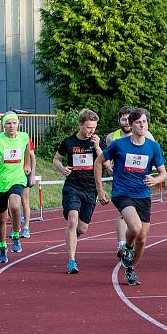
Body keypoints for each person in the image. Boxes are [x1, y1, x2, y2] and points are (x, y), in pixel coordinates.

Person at [95, 108, 167, 286]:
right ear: (131, 124)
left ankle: (131, 269)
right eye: (138, 122)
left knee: (142, 238)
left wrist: (155, 179)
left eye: (144, 122)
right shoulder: (119, 144)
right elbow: (98, 162)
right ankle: (126, 247)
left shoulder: (153, 147)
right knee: (134, 228)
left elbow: (163, 173)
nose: (142, 125)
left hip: (143, 194)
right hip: (122, 192)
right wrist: (100, 189)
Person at [54, 109, 106, 274]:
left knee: (82, 228)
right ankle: (71, 261)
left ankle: (71, 239)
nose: (92, 130)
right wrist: (62, 168)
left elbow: (106, 163)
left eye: (94, 127)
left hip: (90, 188)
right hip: (73, 186)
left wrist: (97, 147)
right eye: (89, 127)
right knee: (72, 220)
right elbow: (56, 159)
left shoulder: (99, 141)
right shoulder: (69, 142)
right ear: (80, 125)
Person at [0, 112, 32, 263]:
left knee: (15, 205)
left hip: (17, 179)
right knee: (1, 219)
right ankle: (2, 246)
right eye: (8, 123)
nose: (11, 126)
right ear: (4, 125)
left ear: (18, 124)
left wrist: (27, 164)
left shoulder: (23, 137)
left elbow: (27, 151)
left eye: (14, 123)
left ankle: (16, 235)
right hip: (0, 183)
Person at [106, 105, 155, 257]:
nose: (126, 122)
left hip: (140, 185)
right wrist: (109, 167)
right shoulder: (112, 138)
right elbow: (107, 157)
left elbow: (152, 157)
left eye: (129, 119)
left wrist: (154, 177)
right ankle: (122, 244)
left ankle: (129, 249)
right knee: (123, 214)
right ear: (119, 120)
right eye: (124, 119)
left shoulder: (149, 137)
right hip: (122, 183)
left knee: (141, 233)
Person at [17, 137, 37, 238]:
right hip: (10, 174)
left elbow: (32, 156)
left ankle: (26, 227)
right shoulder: (3, 139)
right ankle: (15, 226)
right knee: (10, 202)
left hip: (24, 172)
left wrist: (33, 174)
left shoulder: (24, 138)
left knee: (24, 201)